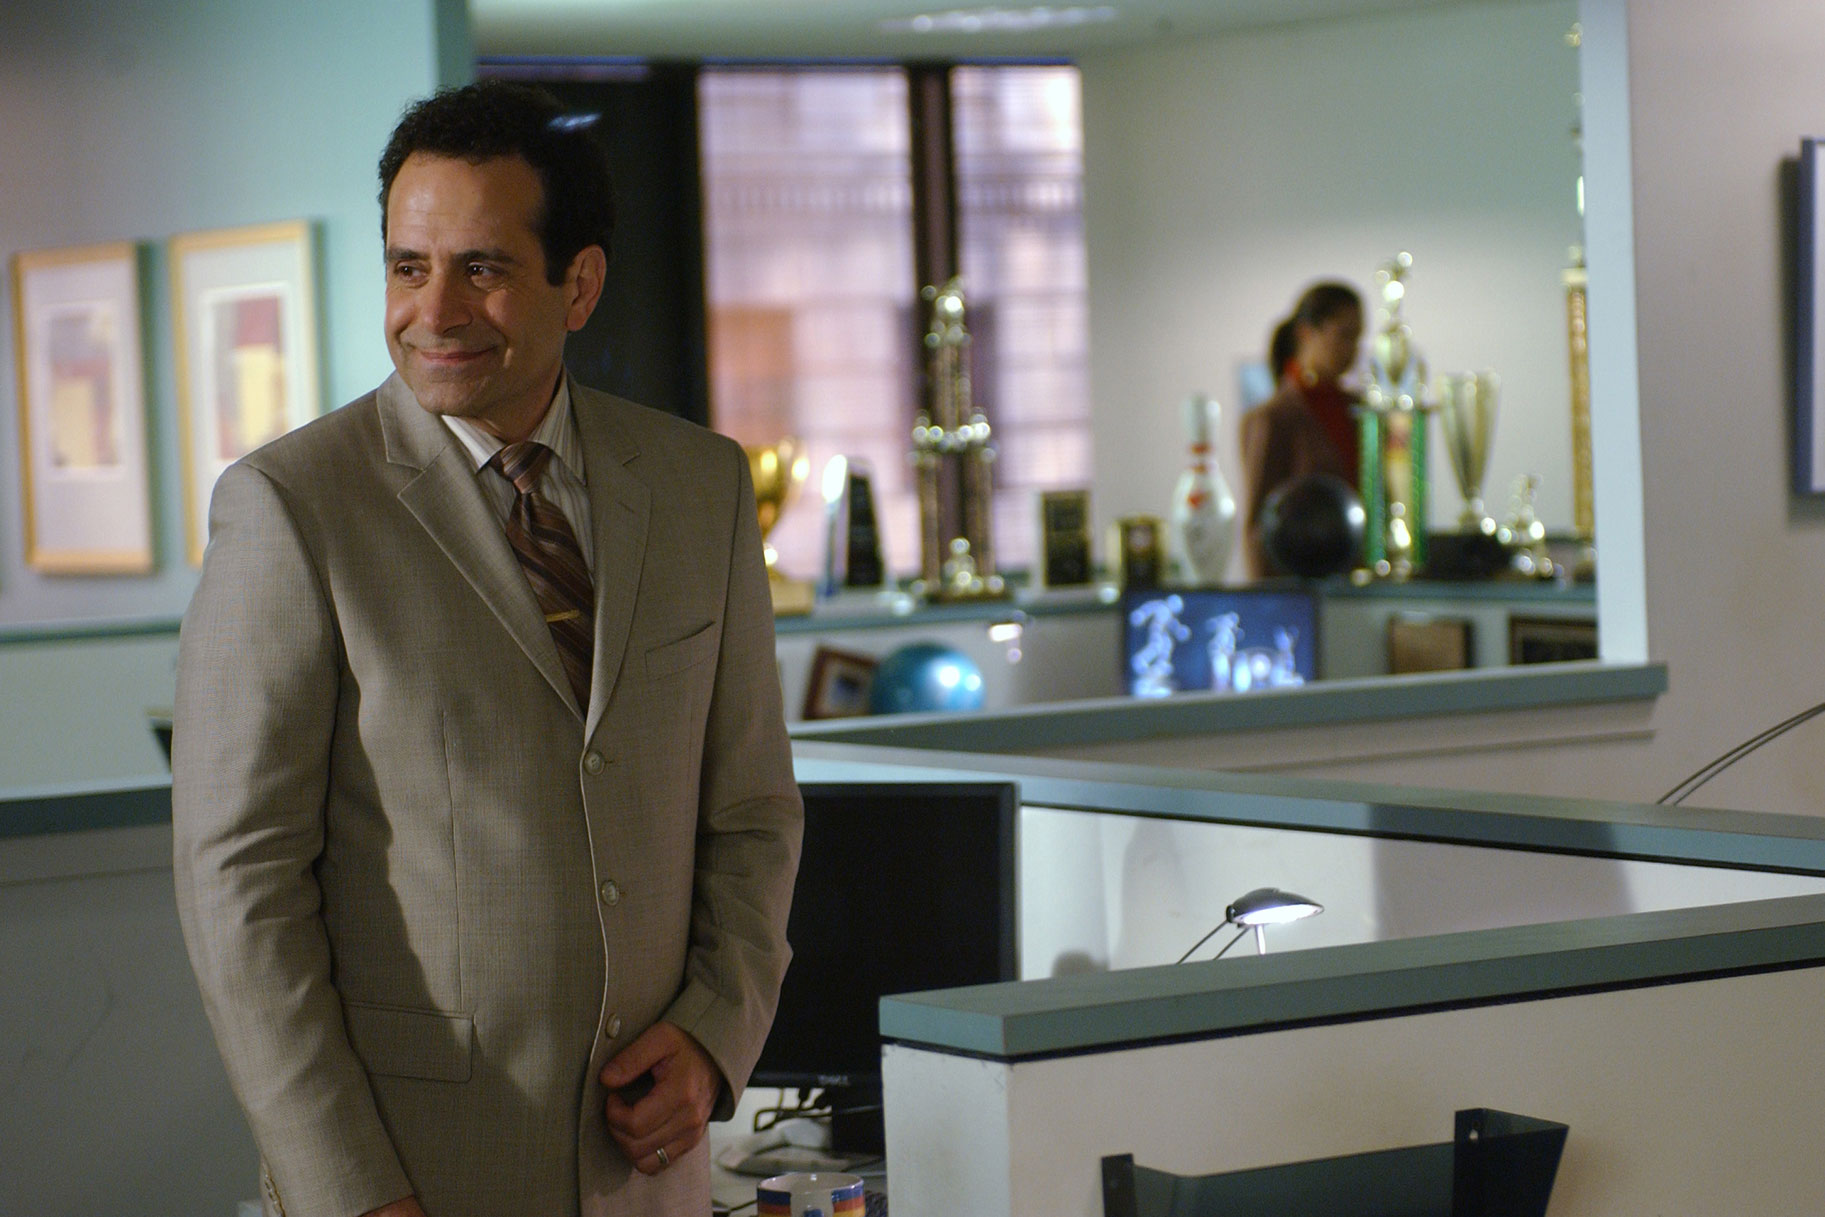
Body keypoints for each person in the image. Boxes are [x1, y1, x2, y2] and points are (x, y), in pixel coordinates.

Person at [171, 80, 803, 1217]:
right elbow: (239, 888)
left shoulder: (699, 486)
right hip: (411, 1175)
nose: (435, 310)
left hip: (649, 1171)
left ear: (581, 284)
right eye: (408, 267)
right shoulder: (292, 506)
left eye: (482, 268)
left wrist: (716, 1033)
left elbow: (752, 810)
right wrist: (350, 1191)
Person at [1238, 281, 1365, 577]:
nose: (1352, 349)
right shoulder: (1273, 417)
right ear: (1306, 333)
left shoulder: (1360, 410)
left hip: (1358, 580)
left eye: (1357, 338)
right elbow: (1258, 527)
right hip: (1301, 584)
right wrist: (1270, 597)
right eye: (1344, 335)